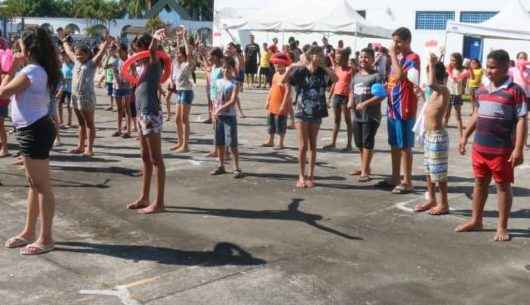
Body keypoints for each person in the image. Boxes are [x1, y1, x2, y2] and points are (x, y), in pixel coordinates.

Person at [2, 27, 61, 255]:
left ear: (28, 48)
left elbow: (4, 92)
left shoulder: (31, 71)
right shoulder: (37, 69)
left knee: (42, 186)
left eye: (20, 45)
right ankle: (28, 231)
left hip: (34, 130)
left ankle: (45, 238)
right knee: (34, 184)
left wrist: (10, 68)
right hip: (33, 128)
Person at [457, 49, 527, 242]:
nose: (489, 70)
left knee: (503, 187)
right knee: (479, 183)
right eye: (487, 66)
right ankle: (476, 220)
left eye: (493, 67)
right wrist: (464, 136)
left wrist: (518, 148)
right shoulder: (482, 89)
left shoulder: (515, 91)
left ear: (506, 67)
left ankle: (502, 226)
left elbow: (522, 120)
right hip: (480, 148)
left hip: (501, 150)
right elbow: (476, 114)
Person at [283, 46, 337, 188]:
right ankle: (301, 176)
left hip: (317, 111)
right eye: (317, 55)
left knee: (313, 145)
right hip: (301, 111)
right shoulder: (301, 71)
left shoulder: (322, 72)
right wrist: (291, 67)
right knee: (302, 146)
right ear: (310, 55)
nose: (319, 57)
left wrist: (325, 67)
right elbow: (284, 80)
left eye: (321, 55)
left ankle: (311, 175)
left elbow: (335, 79)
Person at [127, 29, 167, 214]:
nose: (136, 54)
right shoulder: (142, 66)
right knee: (145, 157)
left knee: (156, 158)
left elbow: (151, 52)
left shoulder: (154, 62)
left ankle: (159, 203)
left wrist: (155, 39)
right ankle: (144, 197)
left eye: (138, 50)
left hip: (151, 113)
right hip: (142, 113)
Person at [380, 27, 420, 194]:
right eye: (394, 41)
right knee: (394, 144)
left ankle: (408, 181)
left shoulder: (413, 57)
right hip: (392, 106)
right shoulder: (398, 58)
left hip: (405, 106)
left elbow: (401, 75)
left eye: (398, 41)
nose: (395, 44)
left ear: (407, 41)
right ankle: (395, 177)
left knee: (405, 146)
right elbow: (393, 78)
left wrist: (392, 56)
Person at [62, 36, 110, 156]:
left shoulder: (91, 64)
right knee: (81, 124)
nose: (78, 56)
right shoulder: (76, 62)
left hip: (86, 98)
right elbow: (68, 51)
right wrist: (64, 42)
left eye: (81, 54)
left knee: (89, 123)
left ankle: (89, 148)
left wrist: (106, 43)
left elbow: (100, 53)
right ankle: (80, 146)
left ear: (88, 54)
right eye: (77, 54)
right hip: (75, 97)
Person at [415, 54, 450, 215]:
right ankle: (432, 199)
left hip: (437, 137)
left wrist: (431, 63)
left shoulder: (444, 90)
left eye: (430, 72)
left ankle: (444, 204)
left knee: (439, 173)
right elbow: (428, 106)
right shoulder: (433, 92)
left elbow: (431, 82)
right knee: (429, 171)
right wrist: (420, 95)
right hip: (429, 136)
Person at [348, 48, 385, 182]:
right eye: (361, 57)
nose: (363, 59)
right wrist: (350, 101)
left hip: (371, 116)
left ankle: (365, 171)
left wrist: (365, 104)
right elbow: (352, 91)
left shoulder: (376, 76)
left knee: (367, 143)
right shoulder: (356, 76)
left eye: (366, 57)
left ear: (372, 59)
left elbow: (381, 96)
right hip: (357, 115)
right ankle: (364, 166)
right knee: (359, 143)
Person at [210, 56, 243, 178]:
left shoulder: (235, 83)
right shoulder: (218, 82)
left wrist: (219, 109)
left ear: (232, 69)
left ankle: (237, 168)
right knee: (219, 142)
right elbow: (214, 99)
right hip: (218, 116)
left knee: (232, 143)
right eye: (224, 68)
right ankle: (221, 165)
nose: (225, 70)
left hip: (229, 117)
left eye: (228, 68)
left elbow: (233, 101)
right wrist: (214, 112)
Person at [169, 27, 195, 153]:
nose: (177, 55)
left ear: (183, 56)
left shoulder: (187, 64)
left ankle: (186, 145)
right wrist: (178, 38)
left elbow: (189, 53)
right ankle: (180, 142)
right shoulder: (177, 63)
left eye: (180, 54)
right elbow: (175, 51)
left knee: (184, 119)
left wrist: (184, 37)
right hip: (179, 92)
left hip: (187, 91)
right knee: (177, 119)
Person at [324, 48, 353, 151]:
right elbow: (334, 83)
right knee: (336, 121)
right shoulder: (337, 68)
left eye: (339, 58)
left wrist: (351, 99)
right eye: (336, 58)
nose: (337, 60)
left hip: (346, 97)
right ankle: (333, 143)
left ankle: (349, 145)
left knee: (348, 121)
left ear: (345, 58)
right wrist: (329, 97)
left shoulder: (351, 70)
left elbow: (352, 85)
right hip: (336, 96)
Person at [262, 53, 292, 149]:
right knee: (271, 123)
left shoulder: (286, 76)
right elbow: (272, 88)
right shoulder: (275, 75)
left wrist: (283, 105)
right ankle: (271, 140)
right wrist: (267, 100)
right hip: (273, 104)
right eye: (276, 64)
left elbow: (288, 91)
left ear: (284, 64)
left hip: (281, 104)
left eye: (280, 64)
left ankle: (281, 143)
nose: (278, 65)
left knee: (281, 124)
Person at [111, 41, 133, 139]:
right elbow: (114, 71)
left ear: (125, 51)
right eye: (118, 51)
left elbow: (133, 72)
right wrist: (117, 80)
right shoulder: (116, 61)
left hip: (127, 86)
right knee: (119, 109)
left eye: (121, 51)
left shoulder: (130, 60)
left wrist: (128, 79)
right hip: (117, 86)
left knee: (127, 108)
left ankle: (128, 130)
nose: (119, 53)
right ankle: (119, 129)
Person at [206, 47, 225, 157]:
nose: (209, 58)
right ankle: (216, 149)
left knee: (220, 126)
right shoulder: (213, 67)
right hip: (213, 99)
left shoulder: (222, 69)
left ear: (216, 56)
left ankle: (225, 151)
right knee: (215, 126)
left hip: (221, 100)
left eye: (211, 56)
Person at [445, 52, 467, 137]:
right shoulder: (449, 68)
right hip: (448, 93)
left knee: (458, 115)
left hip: (457, 94)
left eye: (454, 60)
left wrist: (463, 88)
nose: (452, 62)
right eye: (451, 60)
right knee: (446, 113)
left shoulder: (463, 70)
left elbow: (463, 80)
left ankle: (461, 134)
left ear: (458, 61)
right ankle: (443, 128)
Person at [57, 50, 74, 128]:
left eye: (64, 55)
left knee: (69, 105)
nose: (63, 57)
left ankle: (69, 122)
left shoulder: (72, 65)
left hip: (70, 88)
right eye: (62, 56)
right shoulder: (61, 65)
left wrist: (67, 78)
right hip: (62, 88)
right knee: (59, 104)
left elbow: (75, 76)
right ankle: (61, 121)